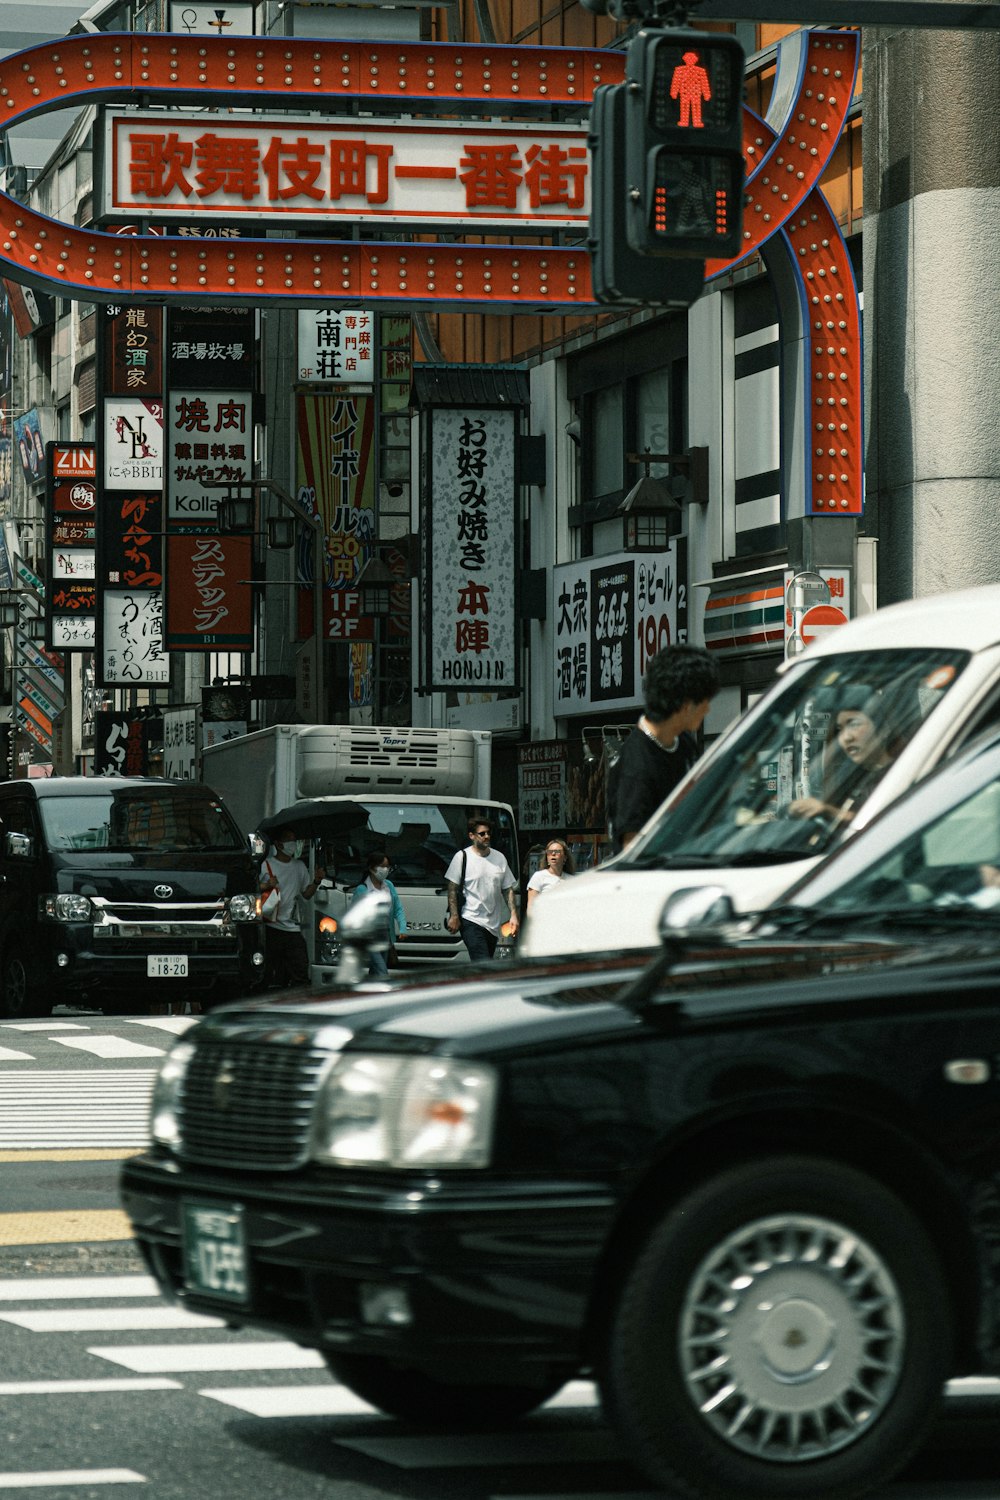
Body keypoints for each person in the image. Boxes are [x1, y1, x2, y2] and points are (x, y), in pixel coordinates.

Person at [607, 644, 721, 852]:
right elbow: (631, 850)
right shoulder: (637, 767)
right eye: (705, 701)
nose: (708, 708)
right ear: (686, 705)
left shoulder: (684, 744)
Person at [788, 689, 899, 826]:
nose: (846, 737)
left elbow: (885, 824)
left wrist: (828, 811)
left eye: (854, 724)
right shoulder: (850, 778)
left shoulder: (900, 774)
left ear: (883, 729)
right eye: (840, 729)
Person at [445, 815, 519, 961]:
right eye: (482, 833)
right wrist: (454, 916)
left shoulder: (499, 858)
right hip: (470, 919)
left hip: (492, 924)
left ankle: (473, 983)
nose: (487, 836)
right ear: (472, 836)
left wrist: (513, 915)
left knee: (483, 964)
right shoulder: (462, 857)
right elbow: (452, 888)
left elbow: (507, 889)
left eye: (488, 833)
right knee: (483, 961)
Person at [260, 826, 326, 988]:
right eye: (289, 840)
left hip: (292, 928)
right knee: (270, 971)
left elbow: (306, 894)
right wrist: (268, 884)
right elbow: (255, 889)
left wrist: (316, 881)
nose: (293, 844)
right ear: (278, 844)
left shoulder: (299, 867)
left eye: (294, 840)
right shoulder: (267, 865)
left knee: (300, 968)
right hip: (271, 926)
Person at [352, 850, 407, 976]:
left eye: (388, 866)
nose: (386, 869)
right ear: (372, 868)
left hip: (386, 937)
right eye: (382, 866)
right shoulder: (362, 890)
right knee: (382, 970)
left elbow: (398, 908)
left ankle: (368, 993)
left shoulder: (389, 886)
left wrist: (403, 928)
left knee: (375, 969)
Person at [526, 838, 576, 912]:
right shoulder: (538, 877)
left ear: (565, 858)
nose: (553, 854)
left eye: (557, 851)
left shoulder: (571, 880)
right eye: (550, 852)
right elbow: (531, 908)